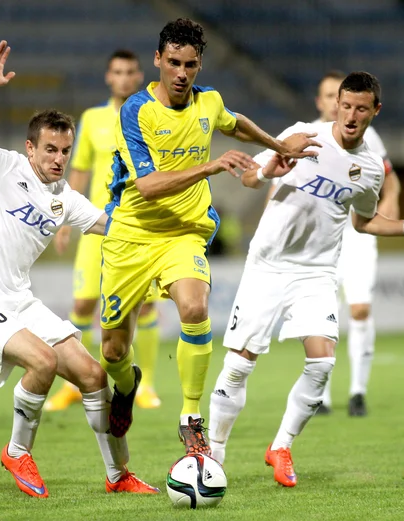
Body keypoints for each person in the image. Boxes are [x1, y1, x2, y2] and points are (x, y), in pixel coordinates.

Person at [208, 72, 404, 487]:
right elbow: (251, 178)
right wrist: (272, 166)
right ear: (335, 105)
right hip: (268, 265)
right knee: (238, 365)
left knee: (322, 362)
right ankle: (212, 456)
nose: (352, 115)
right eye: (346, 106)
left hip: (317, 272)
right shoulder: (304, 135)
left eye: (362, 108)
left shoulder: (370, 169)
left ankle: (281, 446)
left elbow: (364, 221)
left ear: (375, 111)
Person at [0, 41, 158, 498]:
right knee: (43, 360)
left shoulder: (64, 197)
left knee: (94, 376)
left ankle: (119, 476)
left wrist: (162, 223)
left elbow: (111, 227)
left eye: (66, 150)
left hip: (19, 300)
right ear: (30, 147)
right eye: (50, 149)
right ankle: (18, 451)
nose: (59, 159)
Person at [99, 18, 319, 454]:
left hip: (184, 232)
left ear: (200, 66)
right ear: (157, 61)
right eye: (174, 63)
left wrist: (279, 146)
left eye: (191, 65)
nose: (182, 73)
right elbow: (147, 186)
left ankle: (190, 416)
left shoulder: (208, 102)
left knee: (195, 307)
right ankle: (126, 387)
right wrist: (210, 166)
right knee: (112, 349)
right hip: (133, 234)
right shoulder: (135, 111)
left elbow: (234, 122)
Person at [45, 49, 162, 412]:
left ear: (139, 75)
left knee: (144, 309)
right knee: (83, 303)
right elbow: (78, 171)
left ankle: (147, 386)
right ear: (108, 77)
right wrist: (64, 217)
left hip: (142, 225)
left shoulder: (152, 114)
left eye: (130, 71)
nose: (124, 78)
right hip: (99, 225)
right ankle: (75, 385)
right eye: (117, 72)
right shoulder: (92, 118)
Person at [313, 70, 401, 416]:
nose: (347, 110)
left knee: (360, 309)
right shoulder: (307, 135)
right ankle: (322, 396)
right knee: (323, 315)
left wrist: (391, 202)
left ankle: (358, 392)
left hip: (357, 231)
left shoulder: (369, 136)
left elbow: (388, 176)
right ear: (324, 101)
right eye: (332, 96)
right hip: (321, 237)